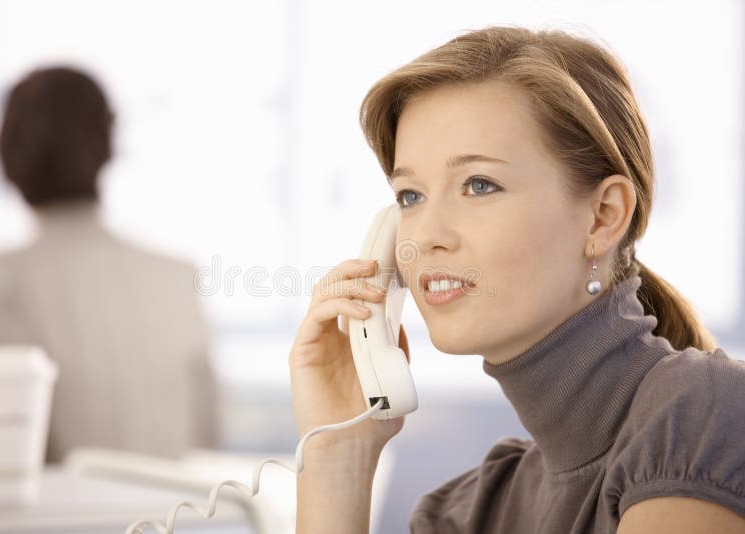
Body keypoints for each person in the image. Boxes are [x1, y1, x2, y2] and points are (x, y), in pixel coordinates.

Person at [287, 27, 745, 533]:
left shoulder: (700, 409)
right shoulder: (466, 511)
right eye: (410, 197)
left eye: (479, 185)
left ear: (602, 217)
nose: (427, 237)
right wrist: (337, 454)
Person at [0, 67, 220, 466]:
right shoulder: (176, 275)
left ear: (6, 152)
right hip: (180, 524)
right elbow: (208, 442)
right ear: (108, 146)